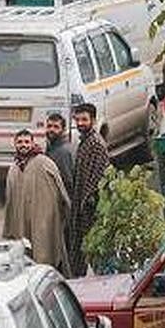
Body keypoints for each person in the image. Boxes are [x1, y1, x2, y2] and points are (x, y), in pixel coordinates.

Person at [3, 129, 70, 270]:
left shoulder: (45, 163)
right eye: (20, 142)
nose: (24, 145)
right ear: (14, 144)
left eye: (27, 141)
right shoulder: (14, 168)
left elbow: (61, 193)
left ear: (33, 143)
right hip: (22, 222)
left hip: (43, 222)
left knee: (44, 254)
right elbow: (10, 201)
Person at [66, 103, 110, 277]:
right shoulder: (84, 142)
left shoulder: (96, 144)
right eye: (78, 120)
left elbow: (98, 179)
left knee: (90, 253)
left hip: (89, 211)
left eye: (84, 119)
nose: (80, 123)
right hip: (80, 206)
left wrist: (85, 205)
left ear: (93, 120)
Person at [44, 112, 74, 189]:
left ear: (63, 130)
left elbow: (67, 181)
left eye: (56, 127)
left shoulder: (63, 152)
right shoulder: (51, 147)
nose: (51, 129)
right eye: (49, 126)